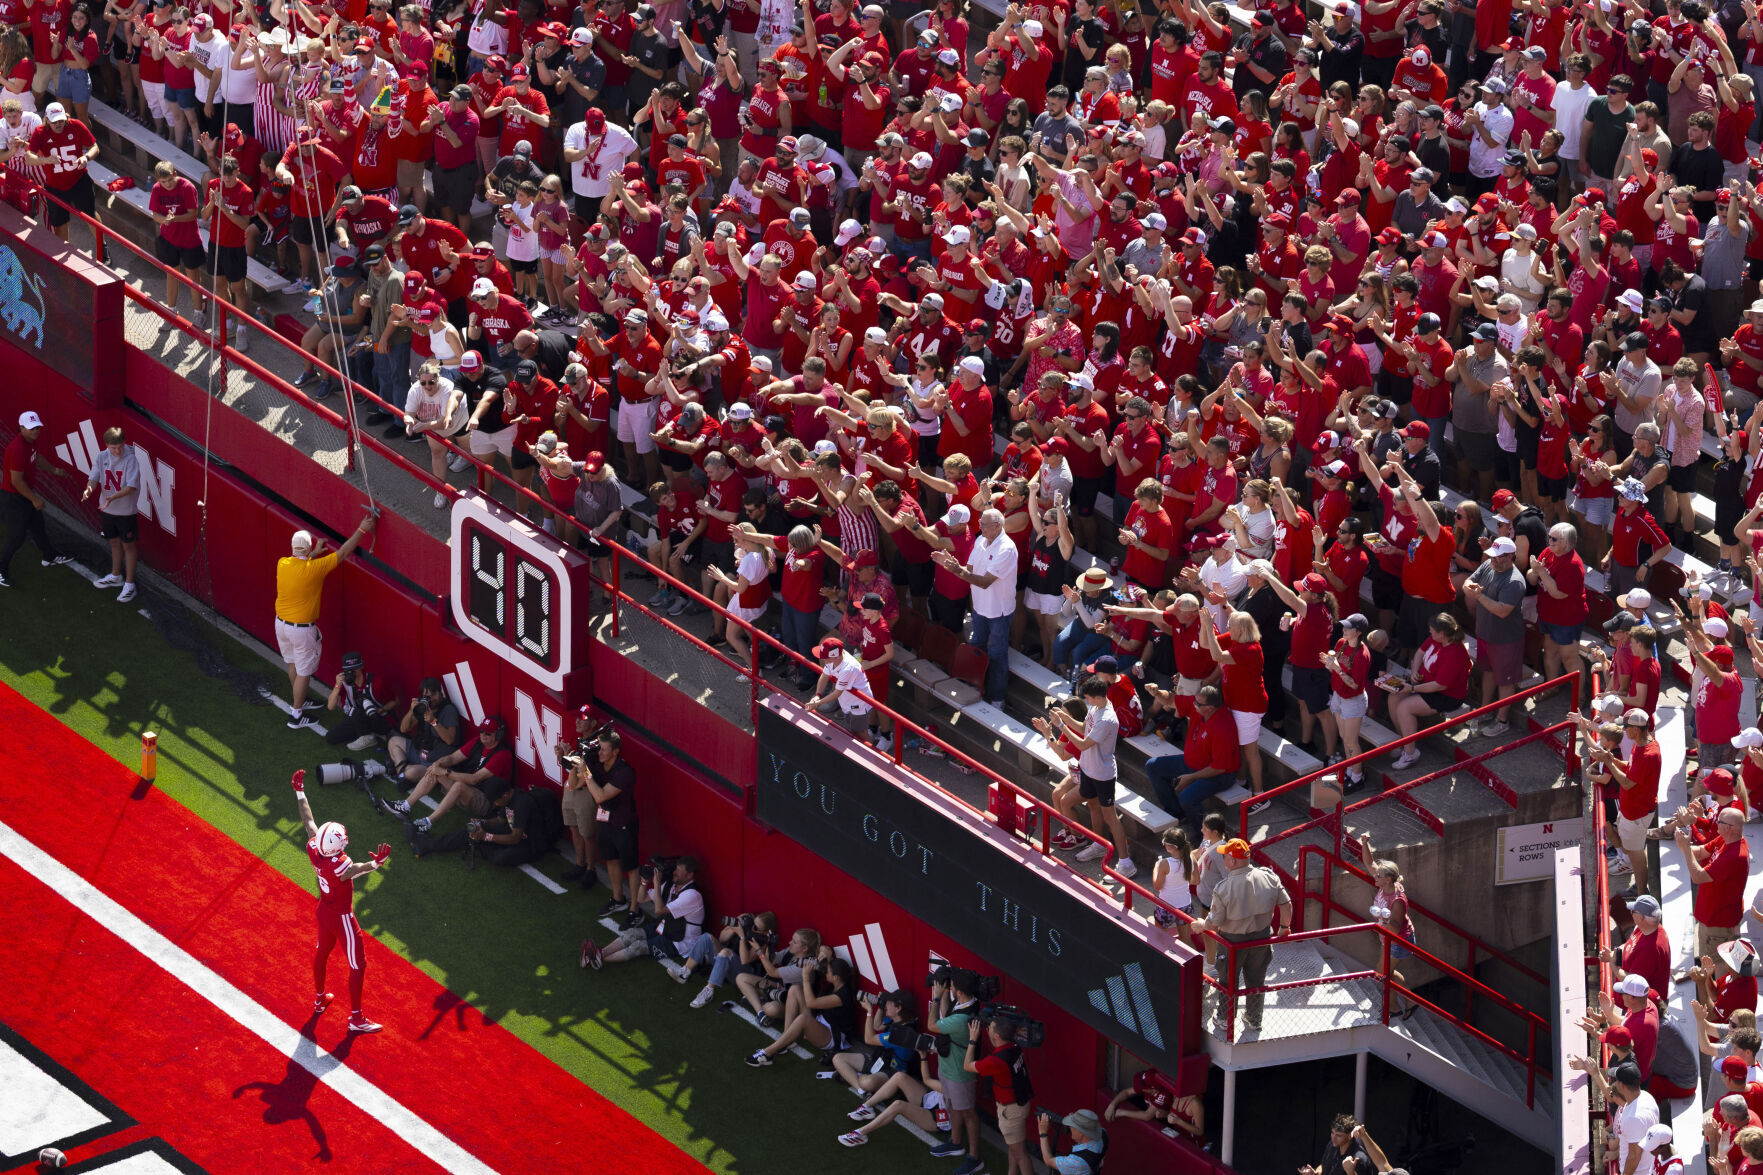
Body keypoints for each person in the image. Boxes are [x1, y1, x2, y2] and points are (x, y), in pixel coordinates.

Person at [290, 768, 389, 1034]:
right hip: (342, 917)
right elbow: (354, 870)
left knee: (322, 953)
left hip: (324, 910)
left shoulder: (314, 848)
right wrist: (375, 864)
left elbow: (308, 820)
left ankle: (319, 999)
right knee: (358, 965)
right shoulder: (339, 863)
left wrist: (300, 791)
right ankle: (356, 1018)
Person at [275, 513, 376, 728]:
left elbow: (301, 563)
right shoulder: (314, 568)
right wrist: (362, 529)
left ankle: (299, 700)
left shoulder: (282, 563)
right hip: (301, 630)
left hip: (281, 625)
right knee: (304, 672)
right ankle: (296, 715)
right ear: (308, 548)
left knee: (293, 664)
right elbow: (343, 552)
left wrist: (312, 553)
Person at [1189, 837, 1292, 1033]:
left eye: (1225, 857)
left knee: (1227, 981)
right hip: (1262, 938)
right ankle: (1254, 1019)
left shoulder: (1223, 888)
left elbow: (1214, 922)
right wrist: (1284, 927)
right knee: (1256, 980)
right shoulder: (1269, 877)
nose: (1223, 860)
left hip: (1231, 942)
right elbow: (1286, 905)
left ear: (1233, 861)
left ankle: (1225, 1019)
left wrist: (1202, 925)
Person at [384, 716, 516, 833]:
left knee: (458, 785)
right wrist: (438, 764)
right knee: (436, 769)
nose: (483, 735)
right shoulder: (478, 741)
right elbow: (453, 758)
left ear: (498, 735)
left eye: (488, 733)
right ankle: (405, 806)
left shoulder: (502, 754)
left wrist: (445, 772)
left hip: (486, 802)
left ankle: (427, 823)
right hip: (469, 792)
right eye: (481, 730)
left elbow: (474, 779)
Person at [583, 856, 706, 970]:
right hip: (667, 928)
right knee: (632, 933)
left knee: (639, 946)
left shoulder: (692, 895)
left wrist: (657, 883)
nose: (674, 872)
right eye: (676, 869)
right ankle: (599, 954)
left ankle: (596, 958)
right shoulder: (672, 886)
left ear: (690, 875)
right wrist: (644, 881)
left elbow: (659, 910)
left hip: (680, 942)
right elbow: (640, 899)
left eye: (679, 870)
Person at [582, 727, 640, 923]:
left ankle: (635, 909)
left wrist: (585, 773)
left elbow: (600, 796)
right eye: (599, 748)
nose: (599, 753)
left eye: (604, 749)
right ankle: (618, 899)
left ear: (615, 751)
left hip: (624, 823)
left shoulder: (625, 772)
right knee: (611, 859)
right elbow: (575, 783)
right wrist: (567, 758)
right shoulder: (597, 763)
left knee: (631, 866)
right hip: (605, 821)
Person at [965, 1015, 1035, 1175]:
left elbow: (967, 1066)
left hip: (1011, 1111)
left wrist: (972, 1040)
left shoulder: (995, 1061)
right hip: (1020, 1103)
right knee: (1014, 1147)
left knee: (1021, 1155)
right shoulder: (1015, 1046)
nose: (987, 1028)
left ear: (996, 1036)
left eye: (989, 1027)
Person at [80, 424, 142, 602]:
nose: (117, 451)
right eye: (113, 448)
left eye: (120, 446)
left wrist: (112, 498)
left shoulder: (131, 460)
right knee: (113, 542)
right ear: (106, 445)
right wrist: (89, 490)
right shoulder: (101, 456)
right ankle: (115, 576)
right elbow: (94, 477)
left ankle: (129, 584)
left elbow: (131, 487)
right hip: (107, 509)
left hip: (125, 512)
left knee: (128, 546)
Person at [930, 968, 984, 1169]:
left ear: (959, 992)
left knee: (968, 1113)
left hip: (960, 1075)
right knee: (953, 1105)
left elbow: (932, 1024)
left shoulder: (962, 1019)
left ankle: (974, 1158)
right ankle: (955, 1142)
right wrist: (945, 993)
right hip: (949, 1068)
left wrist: (936, 998)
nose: (949, 988)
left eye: (951, 986)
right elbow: (947, 1015)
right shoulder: (967, 1003)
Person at [387, 677, 462, 784]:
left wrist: (433, 721)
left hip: (433, 762)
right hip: (421, 752)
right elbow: (403, 729)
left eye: (434, 695)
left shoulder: (448, 710)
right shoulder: (424, 706)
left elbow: (450, 740)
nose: (431, 699)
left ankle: (405, 774)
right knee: (393, 741)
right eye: (427, 697)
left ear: (440, 692)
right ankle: (401, 775)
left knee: (411, 772)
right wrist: (412, 710)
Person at [321, 651, 395, 751]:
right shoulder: (344, 683)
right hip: (357, 718)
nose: (351, 672)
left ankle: (369, 737)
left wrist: (381, 709)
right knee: (331, 738)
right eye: (348, 670)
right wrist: (337, 685)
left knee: (359, 708)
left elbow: (395, 701)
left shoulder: (376, 682)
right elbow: (330, 706)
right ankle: (367, 733)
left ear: (361, 666)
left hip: (377, 718)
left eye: (354, 668)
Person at [1038, 1107, 1109, 1174]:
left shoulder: (1077, 1162)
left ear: (1081, 1133)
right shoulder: (1103, 1134)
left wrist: (1043, 1133)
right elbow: (1085, 1138)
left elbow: (1048, 1160)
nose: (1070, 1127)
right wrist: (1077, 1121)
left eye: (1072, 1126)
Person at [1298, 1113, 1371, 1175]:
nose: (1333, 1138)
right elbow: (1323, 1166)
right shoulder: (1332, 1145)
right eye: (1332, 1133)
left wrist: (1351, 1172)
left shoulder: (1359, 1159)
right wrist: (1315, 1173)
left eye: (1339, 1135)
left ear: (1350, 1136)